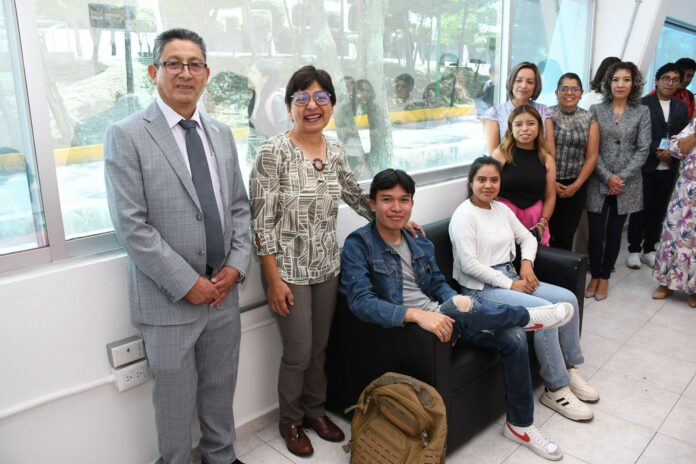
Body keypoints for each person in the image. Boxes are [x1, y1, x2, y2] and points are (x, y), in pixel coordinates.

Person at [341, 168, 574, 461]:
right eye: (387, 200)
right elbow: (361, 302)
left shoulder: (417, 239)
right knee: (465, 309)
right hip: (414, 330)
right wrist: (415, 315)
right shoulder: (359, 245)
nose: (396, 207)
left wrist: (454, 300)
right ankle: (527, 317)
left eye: (404, 200)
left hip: (447, 317)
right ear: (372, 203)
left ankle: (520, 425)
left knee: (511, 336)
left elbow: (438, 283)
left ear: (412, 203)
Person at [249, 66, 422, 457]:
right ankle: (290, 420)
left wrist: (395, 218)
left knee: (320, 347)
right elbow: (260, 222)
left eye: (321, 97)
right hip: (287, 271)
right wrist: (272, 279)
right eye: (302, 98)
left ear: (332, 104)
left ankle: (315, 410)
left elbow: (357, 197)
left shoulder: (336, 151)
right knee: (298, 351)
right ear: (290, 106)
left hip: (327, 266)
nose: (312, 105)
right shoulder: (273, 153)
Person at [104, 28, 251, 464]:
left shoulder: (221, 133)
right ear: (154, 72)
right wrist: (188, 283)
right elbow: (131, 226)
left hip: (223, 293)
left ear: (206, 74)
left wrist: (236, 266)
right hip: (168, 301)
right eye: (173, 63)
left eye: (194, 64)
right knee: (173, 403)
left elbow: (239, 207)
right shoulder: (127, 135)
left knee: (221, 389)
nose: (185, 73)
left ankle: (221, 456)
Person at [450, 156, 599, 424]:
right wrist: (510, 284)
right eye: (481, 179)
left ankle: (570, 368)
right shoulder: (464, 216)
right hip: (481, 289)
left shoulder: (501, 209)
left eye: (494, 180)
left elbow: (527, 238)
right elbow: (468, 264)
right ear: (471, 182)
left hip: (510, 275)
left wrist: (527, 264)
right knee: (546, 312)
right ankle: (555, 389)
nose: (488, 185)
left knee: (568, 298)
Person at [585, 61, 651, 301]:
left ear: (634, 84)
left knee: (614, 232)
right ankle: (594, 275)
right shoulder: (595, 109)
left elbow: (643, 149)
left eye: (626, 79)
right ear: (608, 83)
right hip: (598, 179)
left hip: (627, 183)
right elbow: (591, 148)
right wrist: (607, 176)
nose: (620, 84)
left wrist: (619, 178)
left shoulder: (642, 111)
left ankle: (604, 277)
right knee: (595, 232)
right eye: (615, 79)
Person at [626, 63, 689, 269]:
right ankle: (634, 250)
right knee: (639, 209)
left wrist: (671, 153)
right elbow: (636, 135)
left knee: (659, 209)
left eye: (675, 80)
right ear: (657, 80)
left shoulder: (681, 106)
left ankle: (649, 249)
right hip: (646, 165)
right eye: (666, 78)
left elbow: (683, 136)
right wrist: (658, 150)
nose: (670, 83)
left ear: (679, 84)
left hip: (669, 166)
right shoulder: (643, 104)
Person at [492, 105, 556, 246]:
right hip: (504, 219)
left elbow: (550, 196)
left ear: (539, 127)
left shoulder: (547, 159)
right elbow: (490, 192)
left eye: (531, 123)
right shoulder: (500, 155)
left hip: (535, 221)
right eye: (518, 124)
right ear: (511, 128)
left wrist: (542, 223)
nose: (525, 128)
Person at [549, 73, 599, 250]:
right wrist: (551, 182)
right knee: (546, 232)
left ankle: (562, 268)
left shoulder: (590, 118)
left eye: (574, 89)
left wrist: (576, 185)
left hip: (576, 185)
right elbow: (541, 151)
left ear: (581, 93)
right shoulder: (546, 115)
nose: (569, 93)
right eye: (564, 89)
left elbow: (592, 156)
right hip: (548, 182)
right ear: (556, 92)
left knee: (566, 234)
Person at [652, 118, 696, 307]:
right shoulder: (694, 124)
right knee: (672, 237)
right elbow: (676, 149)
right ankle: (665, 283)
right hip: (685, 192)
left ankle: (694, 289)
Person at [485, 62, 555, 157]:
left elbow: (550, 152)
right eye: (518, 80)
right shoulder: (495, 113)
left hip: (539, 165)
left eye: (530, 82)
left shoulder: (544, 111)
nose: (523, 86)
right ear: (511, 82)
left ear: (536, 86)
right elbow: (492, 156)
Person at [246, 60, 292, 165]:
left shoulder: (276, 101)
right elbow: (253, 133)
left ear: (265, 78)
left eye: (253, 73)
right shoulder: (253, 98)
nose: (248, 75)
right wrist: (250, 158)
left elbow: (283, 135)